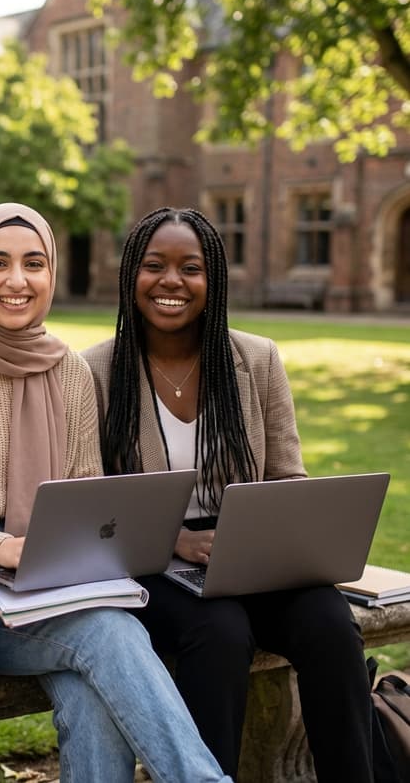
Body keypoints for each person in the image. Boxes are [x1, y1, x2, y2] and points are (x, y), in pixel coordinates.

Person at [0, 202, 230, 783]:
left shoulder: (69, 370)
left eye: (34, 263)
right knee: (108, 631)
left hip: (55, 573)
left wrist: (73, 547)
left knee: (90, 685)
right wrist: (3, 550)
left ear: (51, 274)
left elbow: (88, 494)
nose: (17, 280)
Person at [82, 206, 374, 782]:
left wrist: (270, 538)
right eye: (153, 266)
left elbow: (288, 476)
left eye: (191, 268)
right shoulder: (95, 370)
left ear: (212, 279)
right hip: (151, 556)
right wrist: (176, 541)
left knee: (330, 624)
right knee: (219, 632)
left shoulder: (256, 359)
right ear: (129, 278)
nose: (172, 282)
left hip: (249, 545)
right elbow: (94, 501)